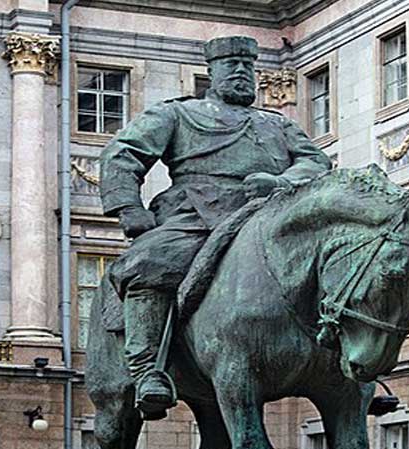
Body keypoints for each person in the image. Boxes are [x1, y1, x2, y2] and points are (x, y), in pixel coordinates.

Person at [100, 35, 332, 419]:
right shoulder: (179, 114)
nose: (242, 73)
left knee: (337, 260)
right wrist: (128, 206)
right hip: (197, 214)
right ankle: (148, 371)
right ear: (212, 72)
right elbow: (123, 152)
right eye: (231, 66)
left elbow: (316, 163)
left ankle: (348, 360)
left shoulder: (277, 124)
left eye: (248, 67)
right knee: (150, 262)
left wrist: (281, 182)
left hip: (269, 212)